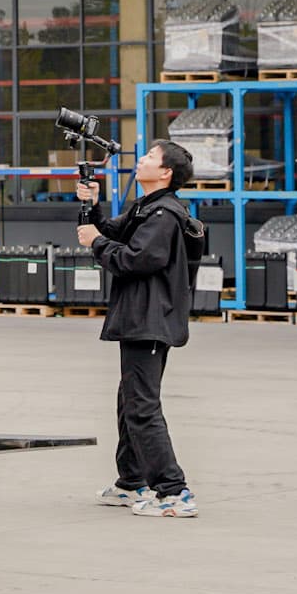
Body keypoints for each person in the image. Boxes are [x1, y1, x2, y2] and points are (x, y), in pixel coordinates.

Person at [76, 139, 207, 518]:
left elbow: (136, 259)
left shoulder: (164, 215)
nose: (143, 159)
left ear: (165, 172)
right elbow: (110, 232)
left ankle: (174, 492)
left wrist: (96, 242)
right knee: (129, 402)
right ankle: (131, 482)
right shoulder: (145, 207)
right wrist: (92, 206)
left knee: (142, 407)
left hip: (150, 320)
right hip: (140, 317)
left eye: (150, 156)